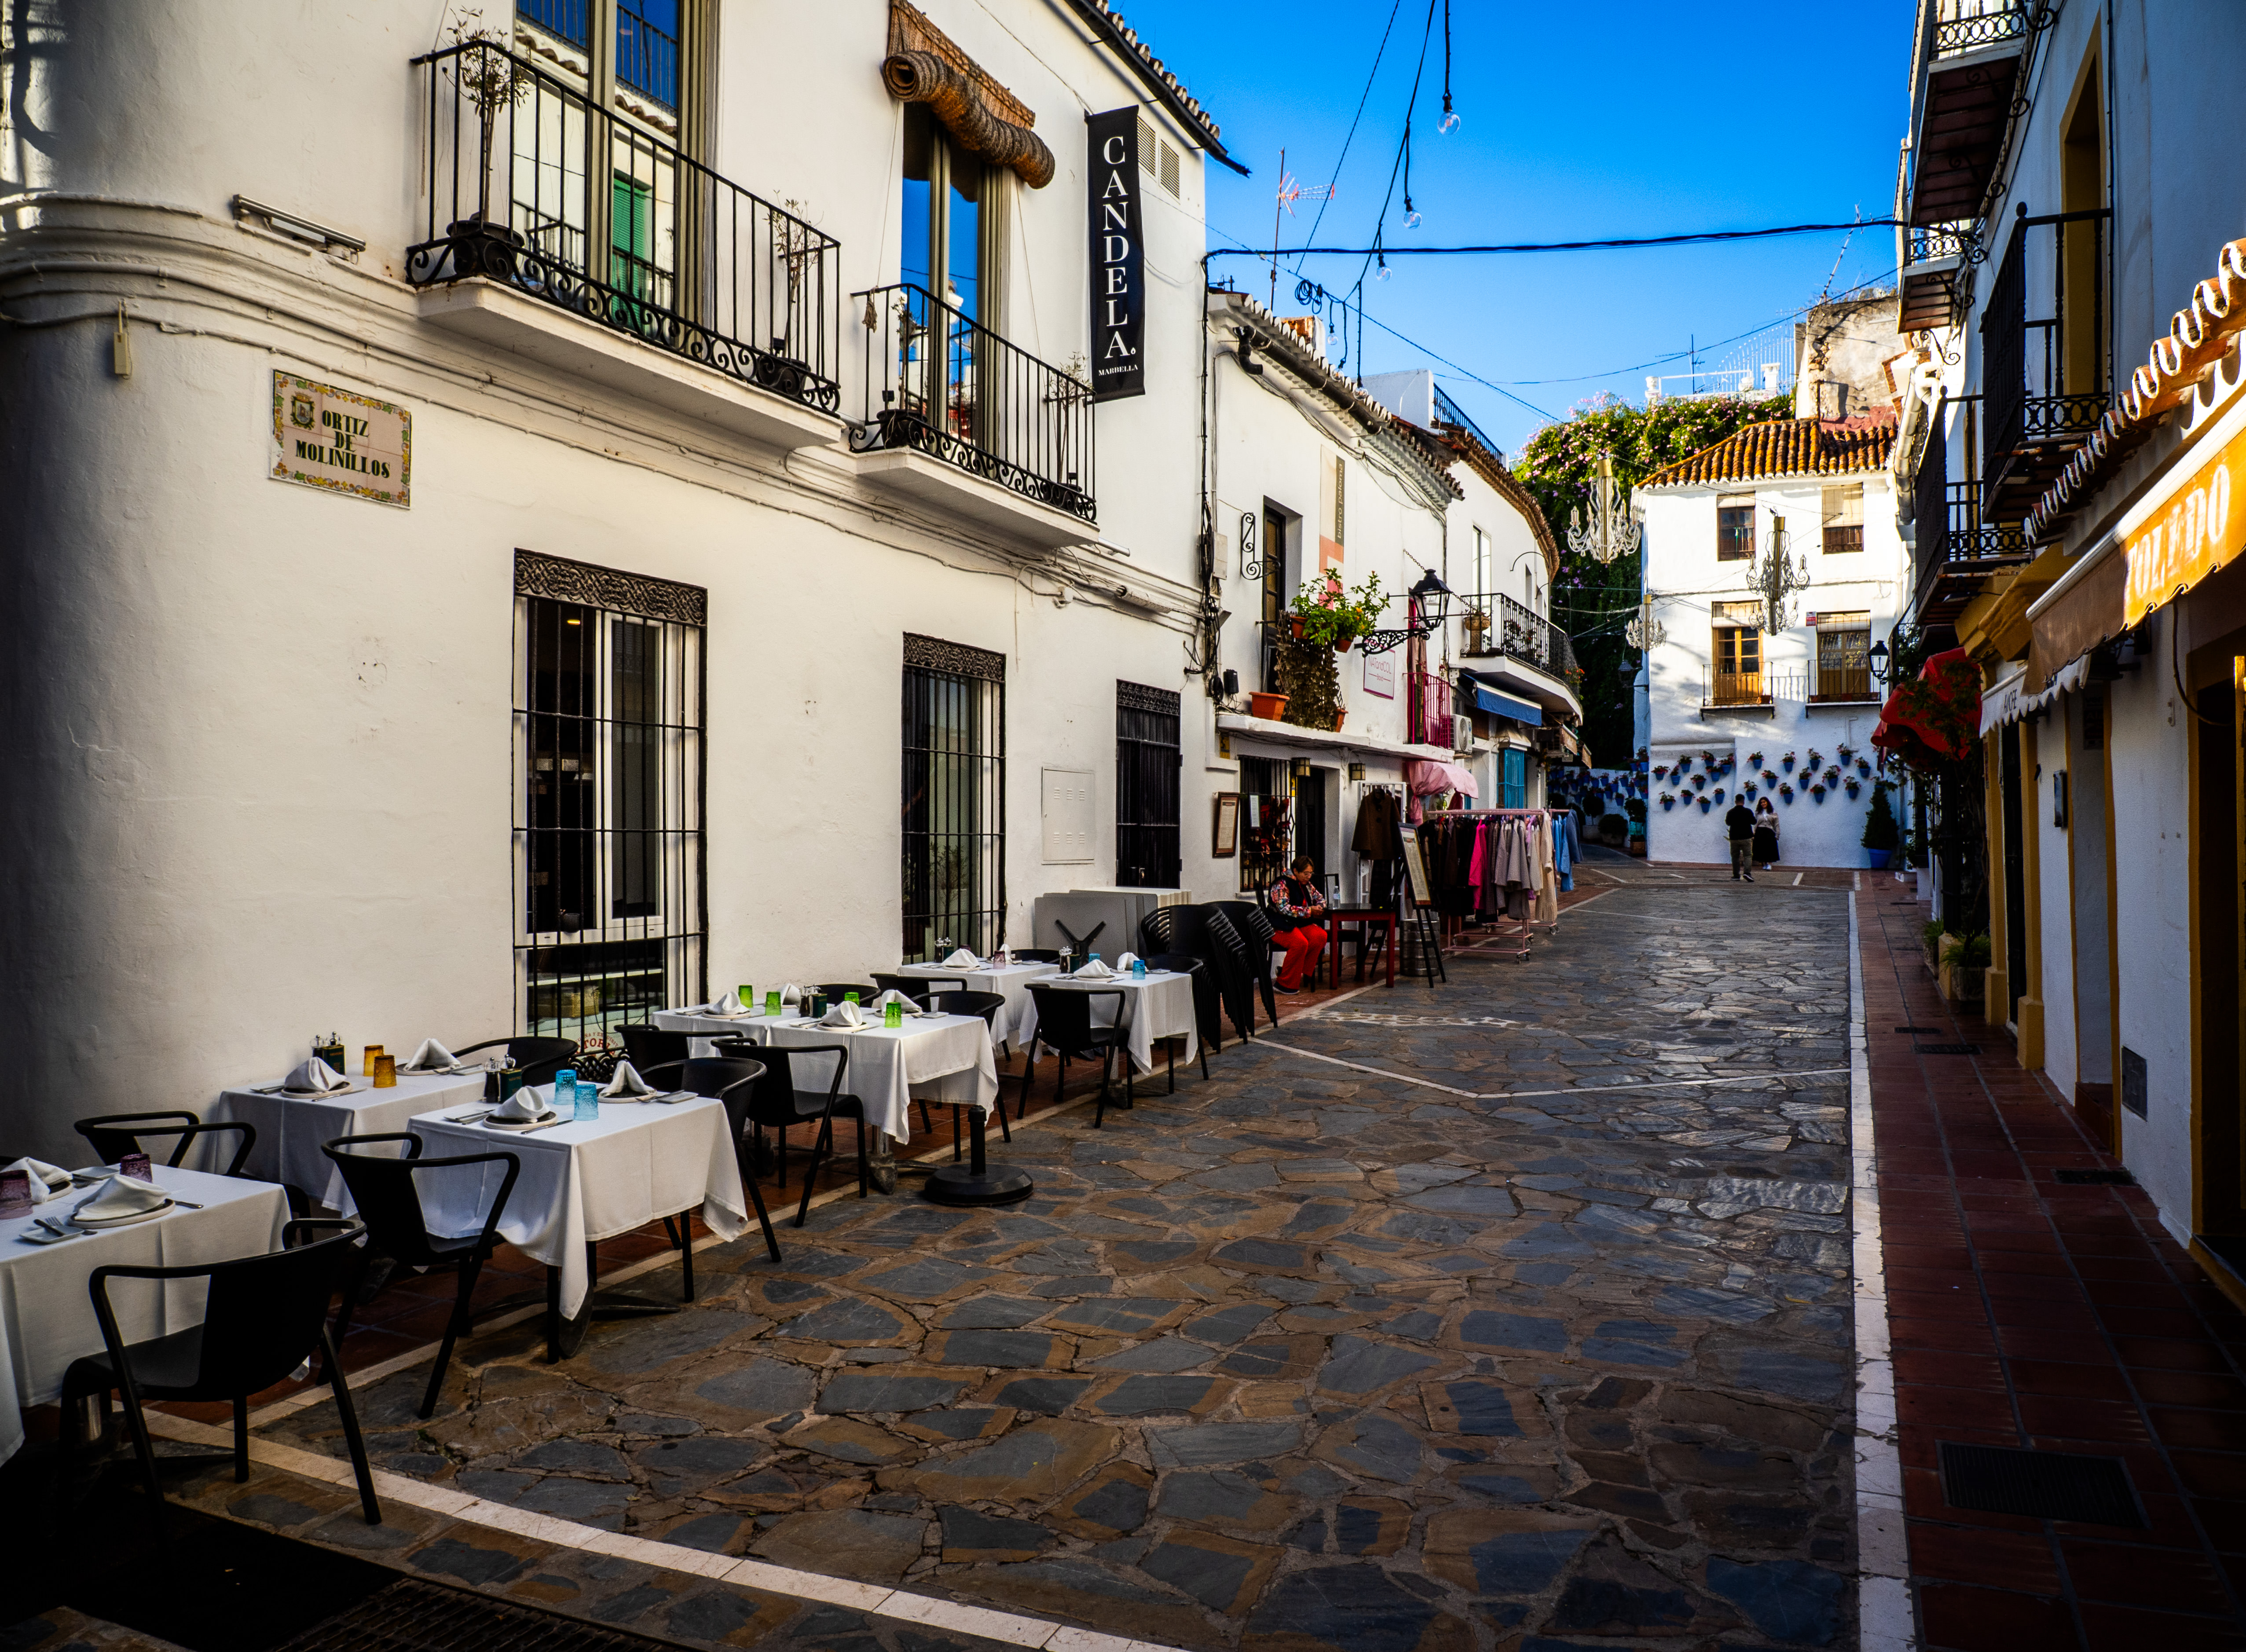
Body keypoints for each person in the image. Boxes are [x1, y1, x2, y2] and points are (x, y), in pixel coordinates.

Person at [1267, 855, 1330, 993]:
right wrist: (1309, 911)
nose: (1309, 877)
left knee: (1320, 936)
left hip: (1299, 923)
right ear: (1296, 871)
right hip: (1279, 924)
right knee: (1300, 943)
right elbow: (1283, 908)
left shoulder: (1306, 884)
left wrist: (1319, 906)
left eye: (1311, 873)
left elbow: (1320, 898)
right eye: (1306, 873)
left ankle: (1290, 971)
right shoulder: (1281, 884)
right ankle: (1284, 984)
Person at [1724, 797, 1756, 882]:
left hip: (1734, 837)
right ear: (1743, 802)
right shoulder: (1748, 812)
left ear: (1736, 802)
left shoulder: (1731, 812)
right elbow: (1754, 822)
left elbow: (1728, 823)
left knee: (1735, 857)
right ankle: (1747, 873)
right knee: (1748, 855)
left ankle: (1736, 875)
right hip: (1746, 837)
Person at [1752, 798, 1781, 871]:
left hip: (1769, 832)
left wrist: (1777, 834)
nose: (1763, 804)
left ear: (1767, 802)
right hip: (1760, 832)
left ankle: (1769, 864)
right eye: (1761, 803)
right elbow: (1755, 824)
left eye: (1764, 802)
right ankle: (1765, 864)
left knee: (1770, 848)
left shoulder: (1773, 813)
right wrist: (1753, 833)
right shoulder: (1758, 813)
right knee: (1762, 848)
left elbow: (1776, 824)